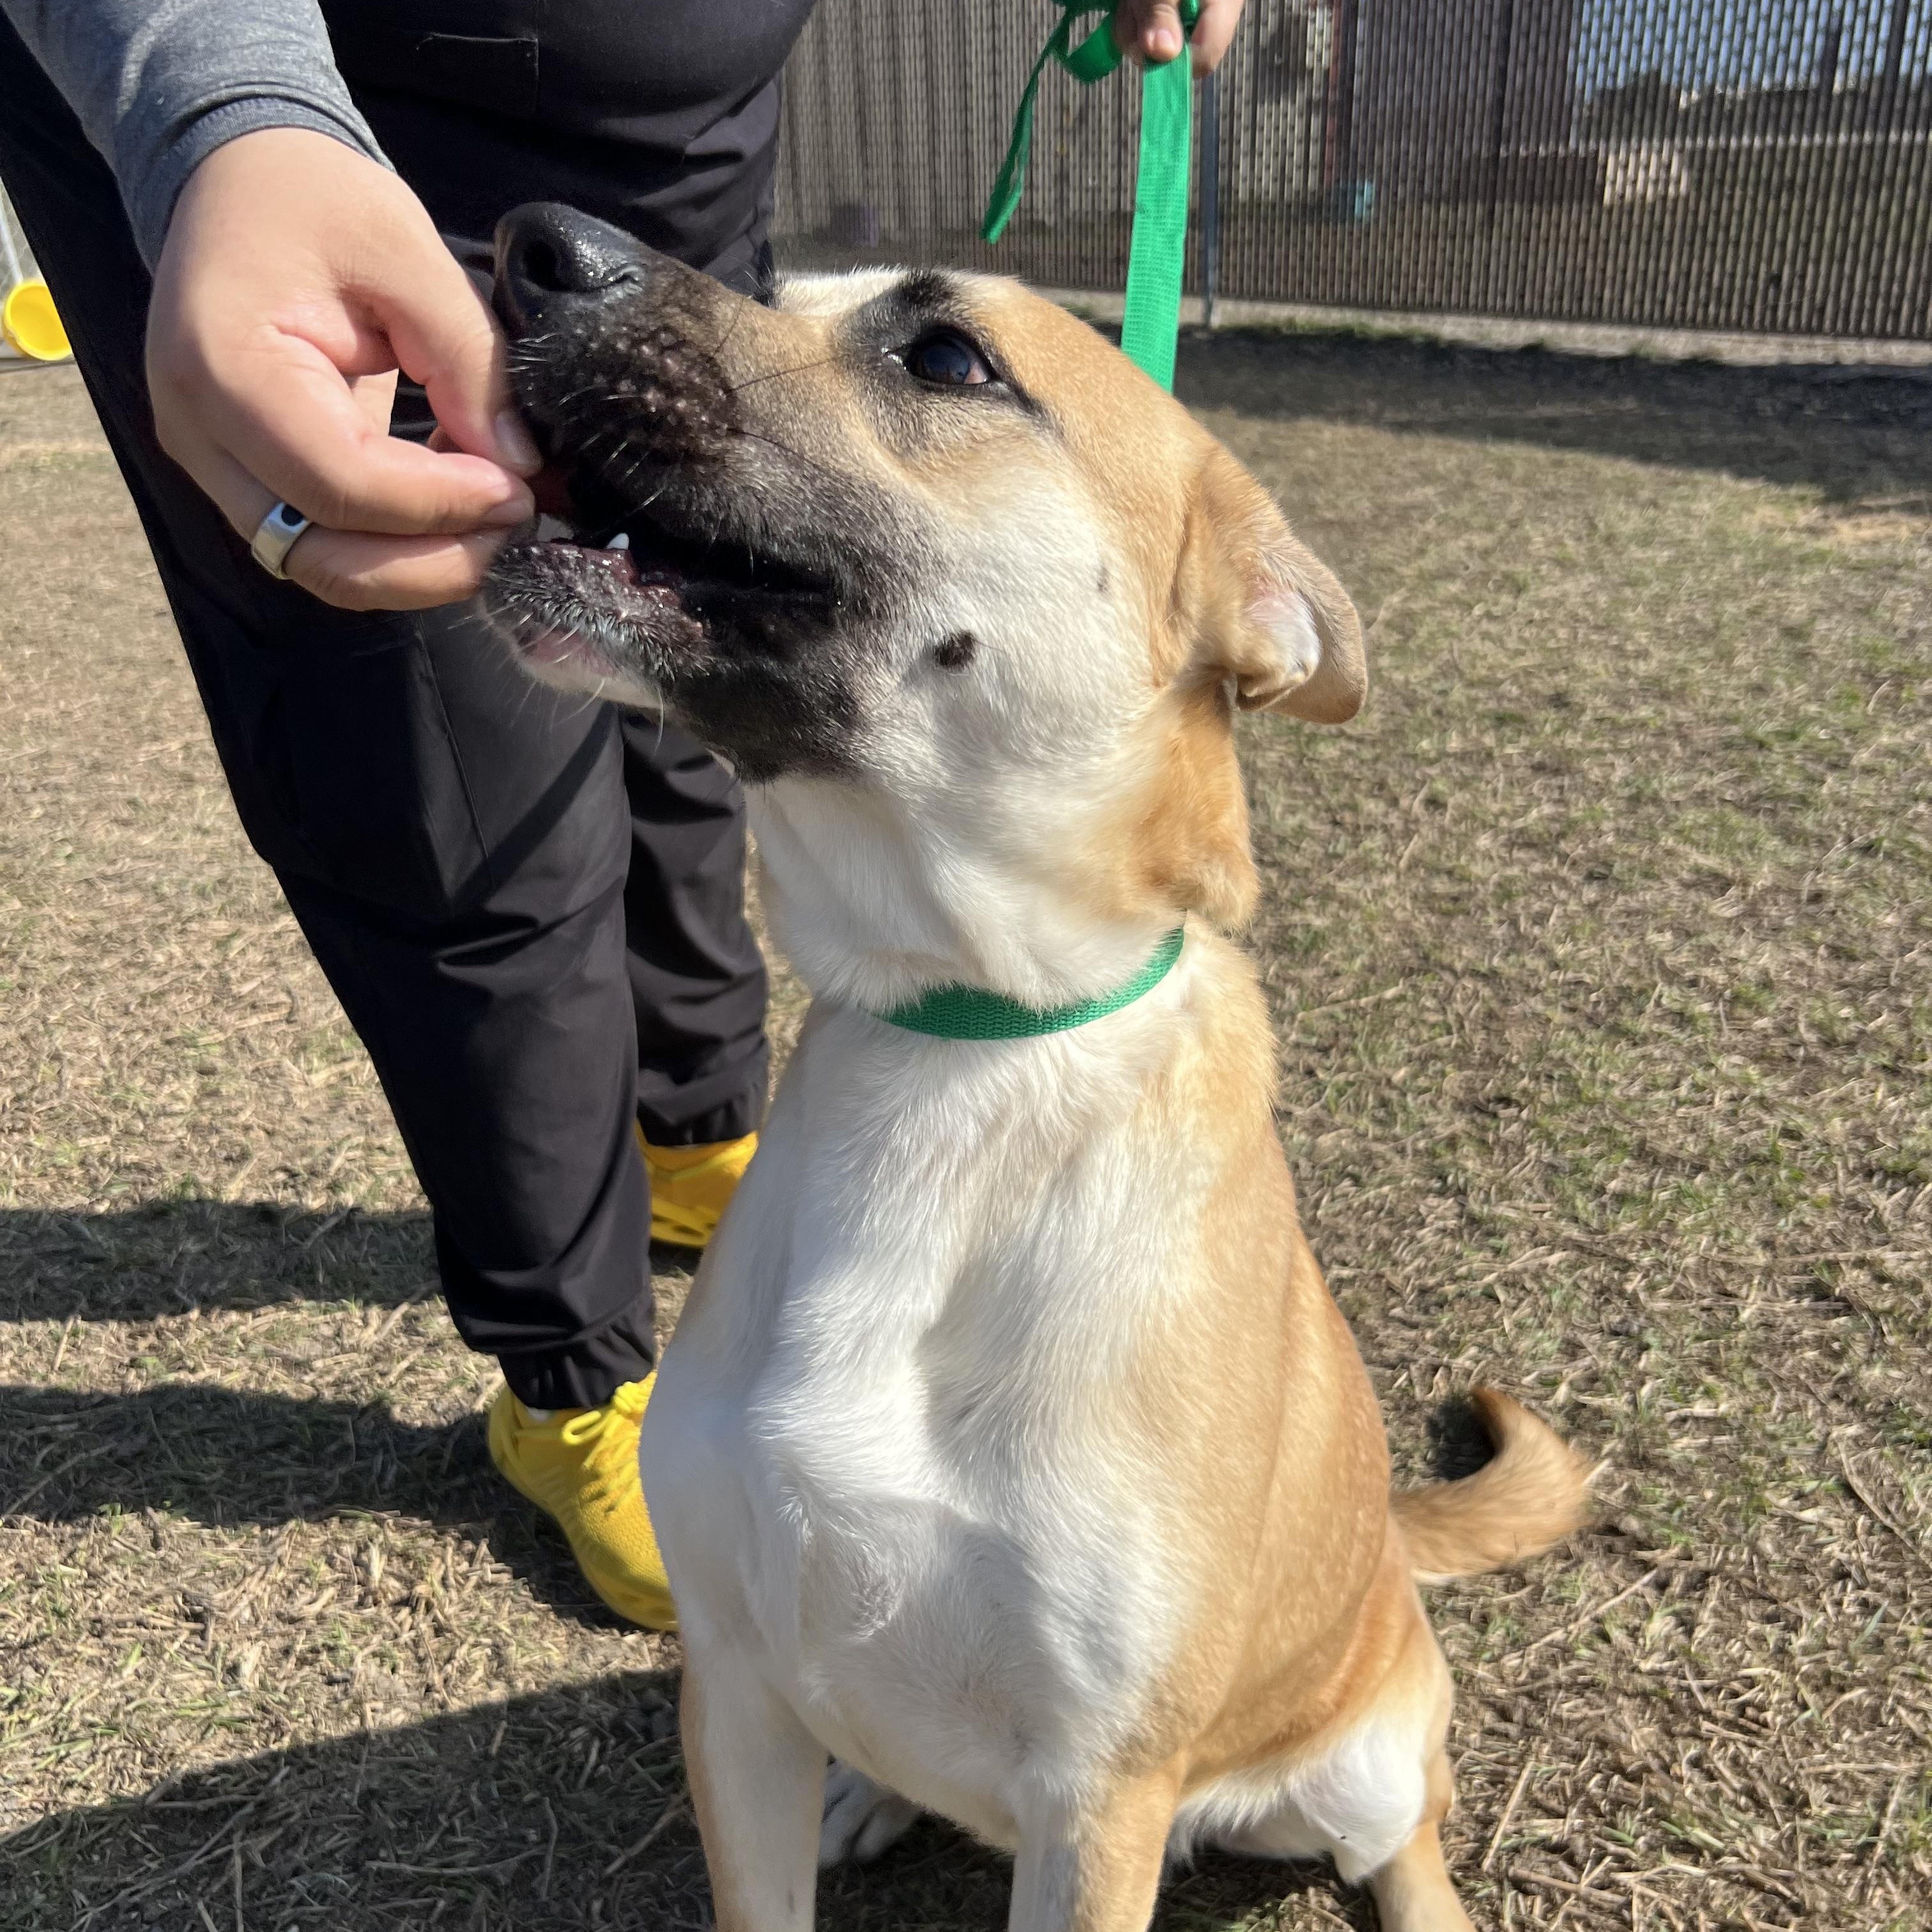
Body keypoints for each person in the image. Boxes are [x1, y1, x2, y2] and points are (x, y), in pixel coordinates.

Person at [0, 0, 1249, 1631]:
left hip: (670, 141)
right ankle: (569, 1374)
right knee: (449, 791)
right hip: (307, 139)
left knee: (702, 692)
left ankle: (691, 1132)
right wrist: (220, 101)